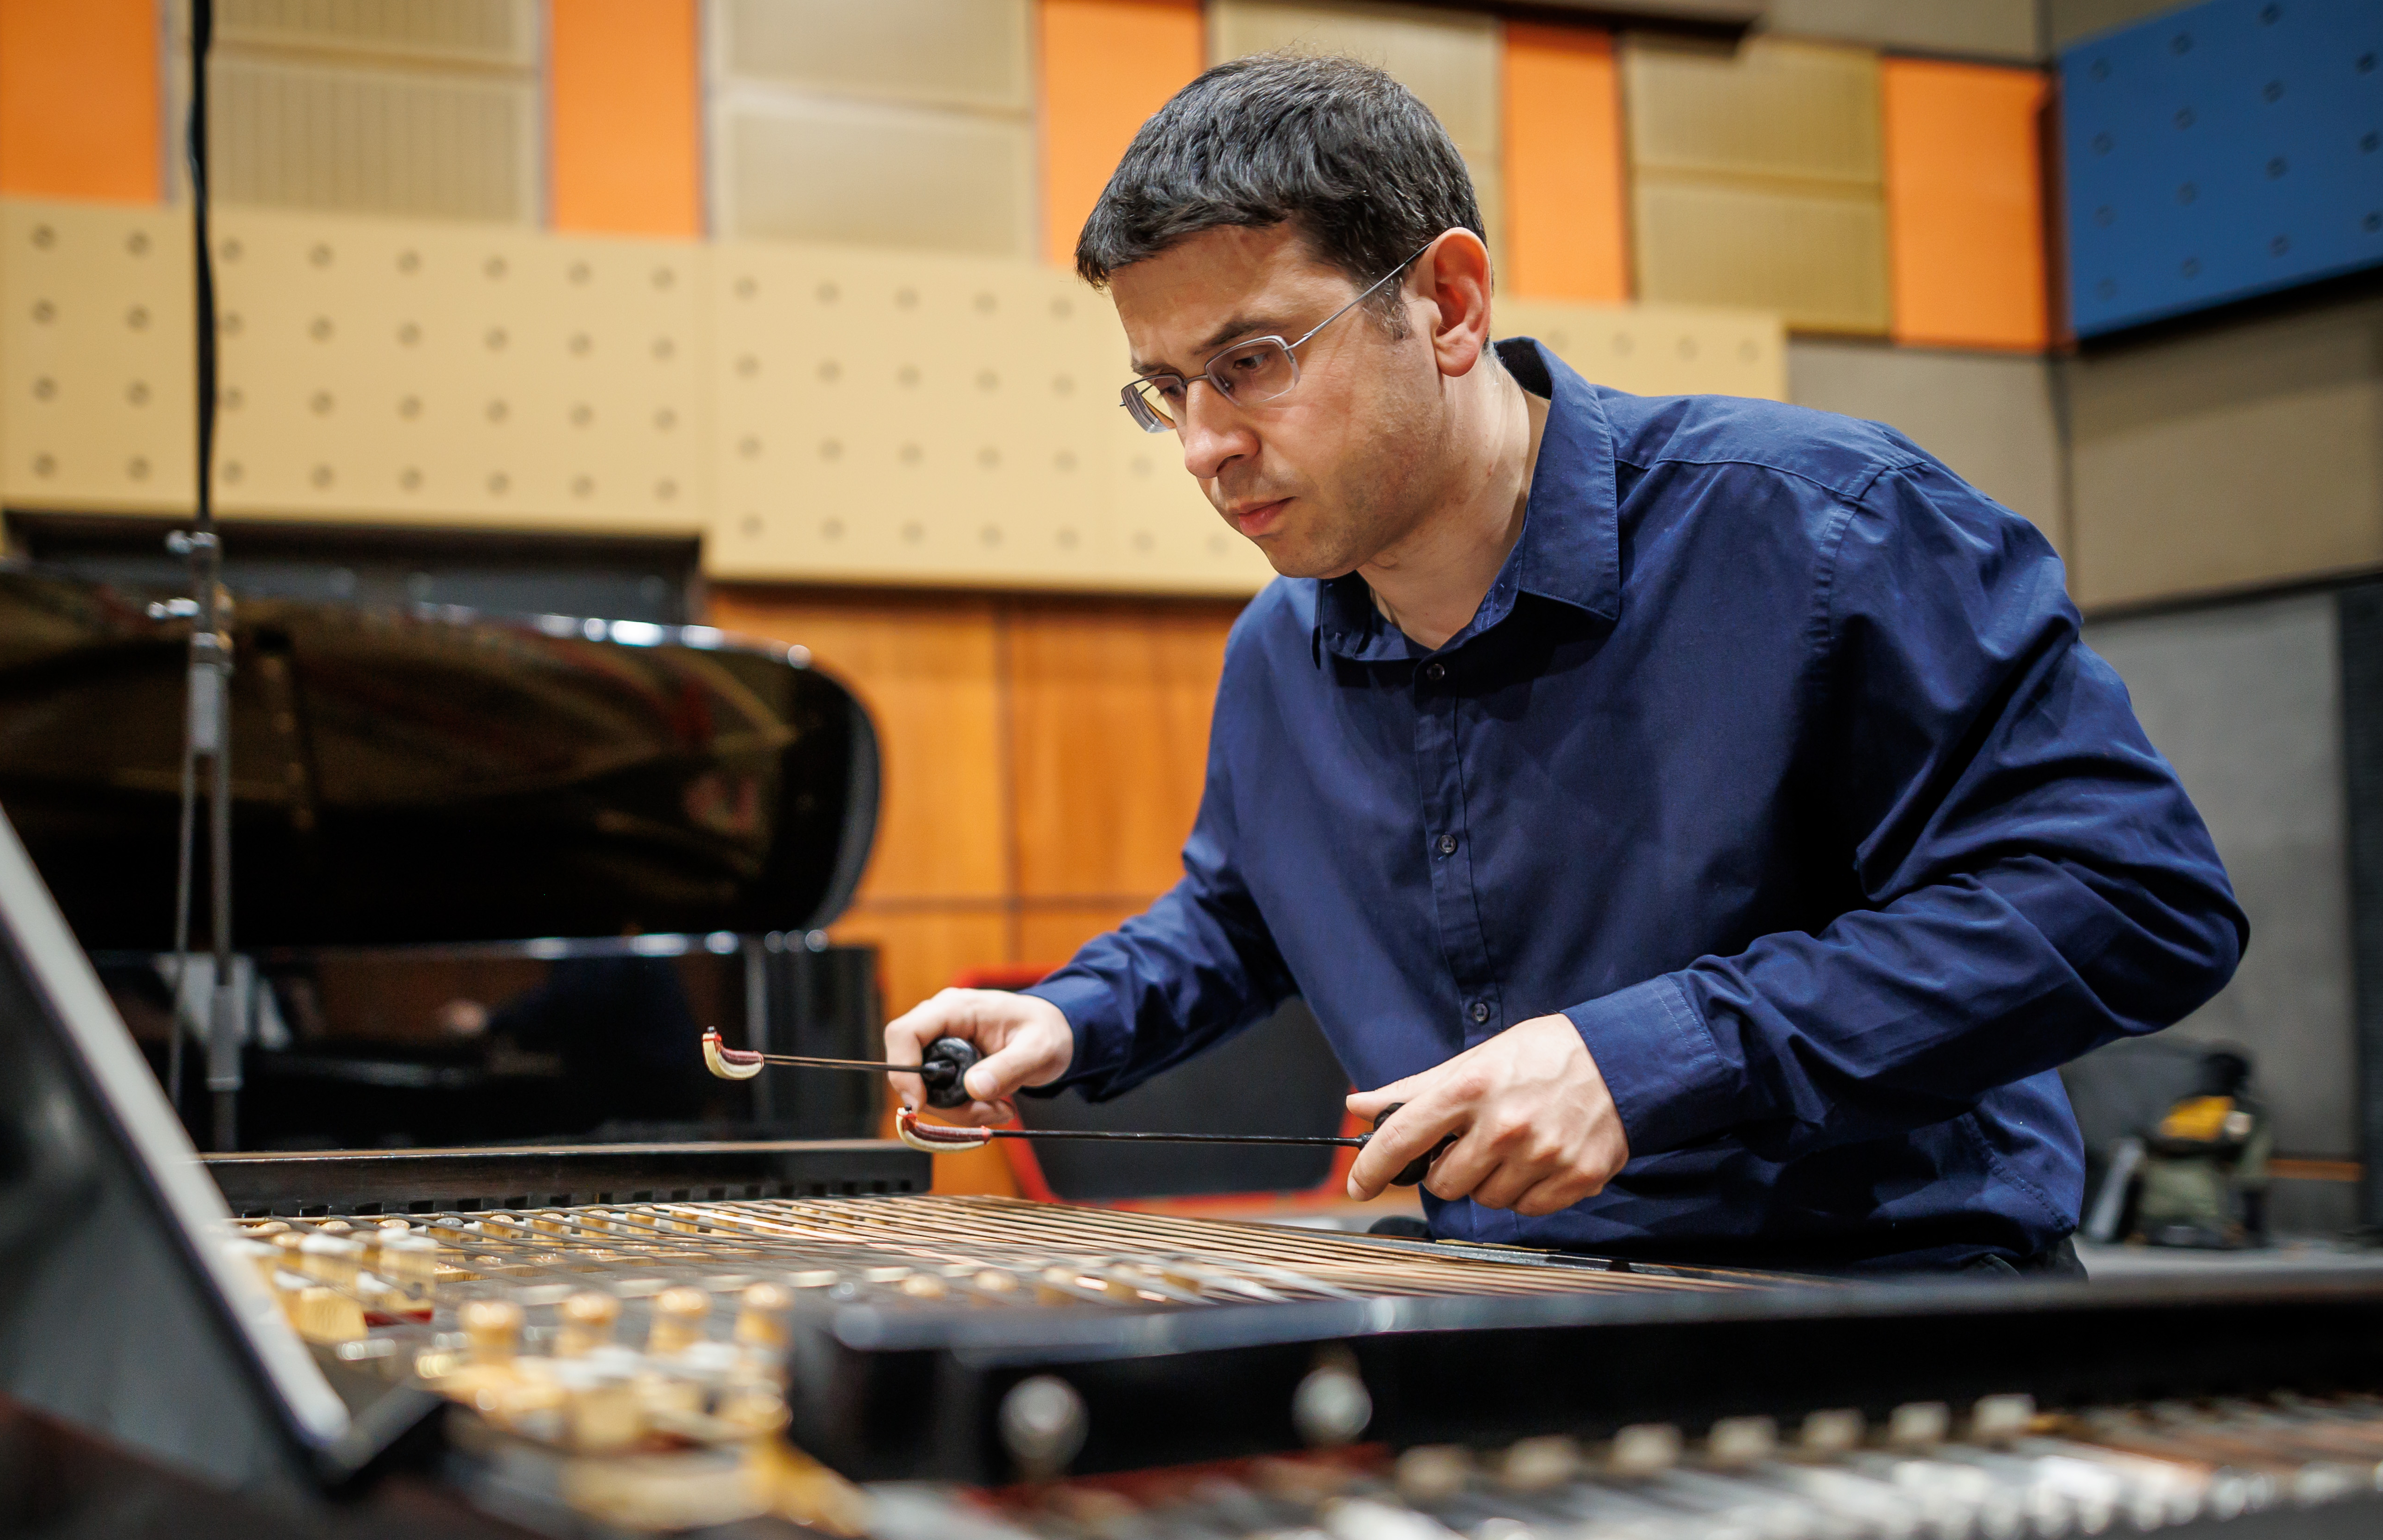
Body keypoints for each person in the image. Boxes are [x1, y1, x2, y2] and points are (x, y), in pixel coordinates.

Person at [882, 53, 2245, 1274]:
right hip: (1502, 1325)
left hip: (1876, 1323)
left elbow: (2131, 894)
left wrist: (1650, 1056)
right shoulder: (1279, 650)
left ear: (1451, 303)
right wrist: (1067, 1016)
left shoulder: (1825, 528)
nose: (1203, 446)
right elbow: (1245, 916)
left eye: (1253, 360)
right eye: (1167, 390)